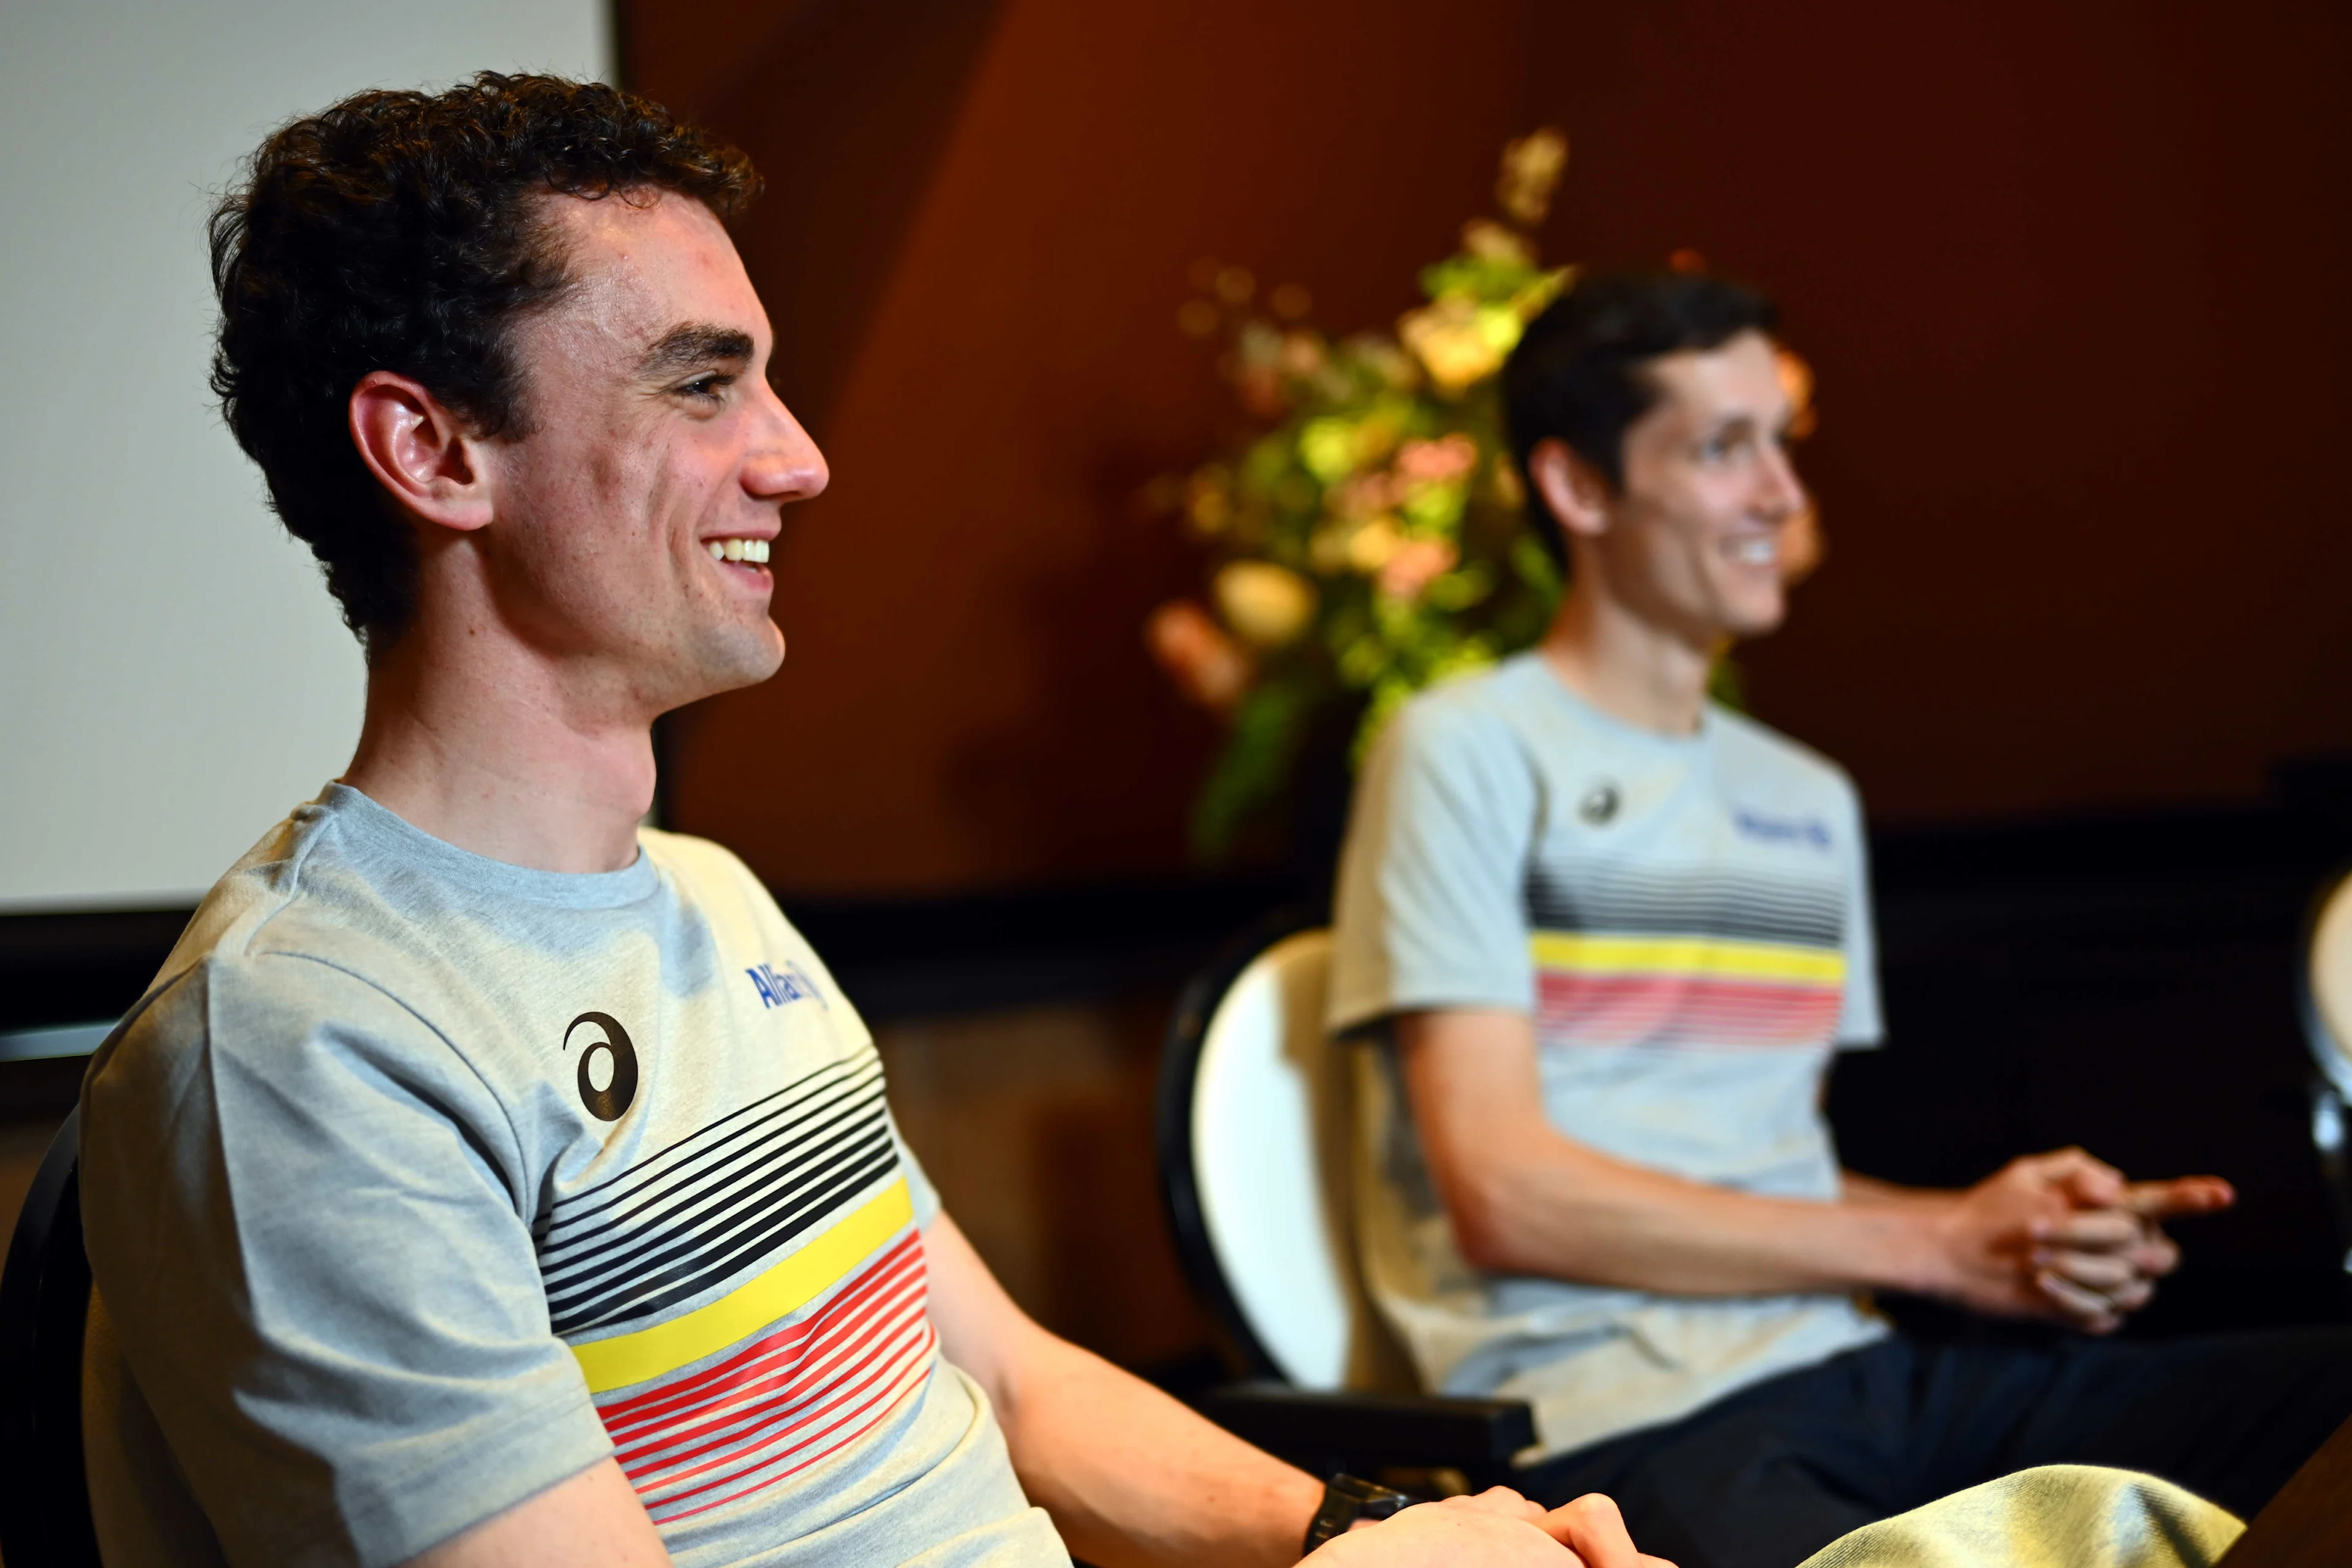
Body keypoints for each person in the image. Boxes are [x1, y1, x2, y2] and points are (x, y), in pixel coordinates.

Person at [72, 74, 1664, 1568]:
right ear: (434, 450)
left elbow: (1021, 1394)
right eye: (704, 382)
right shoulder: (299, 1046)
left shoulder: (711, 902)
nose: (802, 459)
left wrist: (1374, 1530)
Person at [1324, 269, 2352, 1568]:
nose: (1783, 492)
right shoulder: (1462, 746)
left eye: (1785, 441)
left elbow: (1763, 1168)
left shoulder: (1805, 797)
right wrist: (1937, 1241)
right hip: (1624, 1428)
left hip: (1862, 1361)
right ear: (1579, 490)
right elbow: (1506, 1190)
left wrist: (2000, 1227)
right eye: (1720, 447)